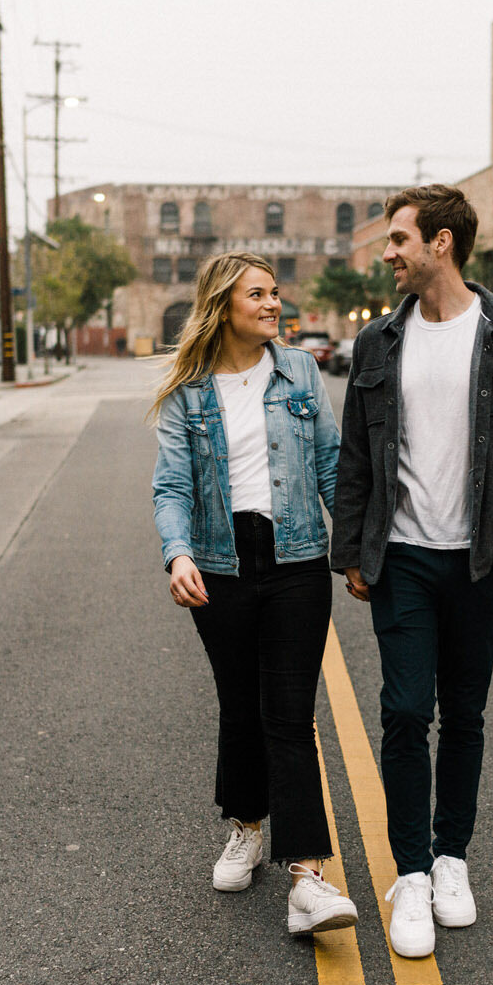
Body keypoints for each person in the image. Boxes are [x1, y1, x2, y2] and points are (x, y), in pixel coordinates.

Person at [330, 185, 493, 958]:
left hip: (474, 560)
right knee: (403, 710)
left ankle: (453, 855)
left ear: (442, 244)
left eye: (398, 239)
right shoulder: (377, 343)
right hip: (399, 557)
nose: (387, 253)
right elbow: (356, 454)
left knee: (464, 711)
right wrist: (351, 552)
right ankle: (414, 874)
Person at [151, 251, 359, 937]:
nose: (274, 304)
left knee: (290, 714)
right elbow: (172, 485)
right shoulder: (188, 390)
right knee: (241, 707)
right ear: (223, 304)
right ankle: (247, 828)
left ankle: (308, 876)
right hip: (220, 563)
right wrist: (178, 553)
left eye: (276, 293)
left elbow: (330, 462)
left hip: (296, 557)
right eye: (259, 294)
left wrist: (353, 551)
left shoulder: (298, 370)